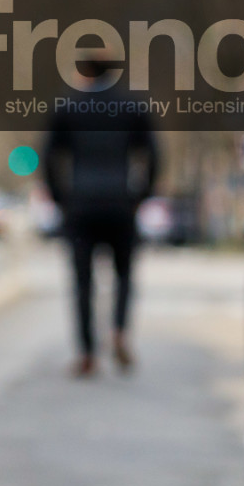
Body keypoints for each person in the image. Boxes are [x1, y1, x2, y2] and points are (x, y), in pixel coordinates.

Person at [44, 53, 159, 378]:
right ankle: (119, 331)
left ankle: (86, 353)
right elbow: (152, 153)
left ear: (84, 72)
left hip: (80, 205)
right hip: (121, 203)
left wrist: (60, 198)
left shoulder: (68, 106)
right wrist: (141, 195)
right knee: (124, 274)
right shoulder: (131, 105)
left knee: (82, 281)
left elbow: (50, 156)